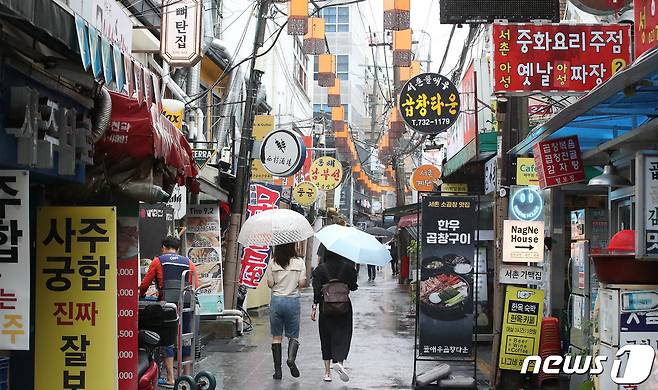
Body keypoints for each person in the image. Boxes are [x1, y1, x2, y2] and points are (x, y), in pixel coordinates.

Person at [139, 236, 199, 387]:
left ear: (164, 248)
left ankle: (171, 378)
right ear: (178, 249)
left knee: (167, 340)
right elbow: (195, 285)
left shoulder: (158, 261)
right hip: (186, 304)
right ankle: (186, 376)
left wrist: (141, 295)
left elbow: (145, 284)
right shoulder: (189, 263)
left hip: (167, 307)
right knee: (185, 337)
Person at [311, 245, 358, 382]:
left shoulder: (320, 269)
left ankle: (327, 372)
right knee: (343, 334)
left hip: (326, 307)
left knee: (325, 336)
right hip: (344, 307)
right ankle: (339, 363)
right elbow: (354, 287)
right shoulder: (348, 268)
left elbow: (316, 290)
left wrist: (314, 306)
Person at [265, 242, 307, 380]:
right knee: (293, 336)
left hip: (277, 301)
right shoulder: (299, 262)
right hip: (292, 301)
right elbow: (302, 284)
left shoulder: (272, 262)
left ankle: (278, 371)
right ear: (292, 246)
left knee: (277, 337)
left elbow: (270, 284)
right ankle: (290, 360)